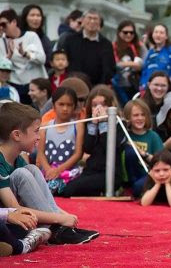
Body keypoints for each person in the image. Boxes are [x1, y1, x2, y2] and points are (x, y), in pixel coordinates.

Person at [0, 102, 98, 244]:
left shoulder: (18, 159)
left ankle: (58, 229)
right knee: (22, 173)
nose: (39, 137)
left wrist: (64, 215)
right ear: (17, 135)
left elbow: (40, 199)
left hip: (19, 217)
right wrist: (60, 218)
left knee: (31, 169)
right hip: (7, 220)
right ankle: (56, 229)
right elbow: (15, 210)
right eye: (36, 131)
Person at [61, 85, 126, 197]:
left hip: (110, 173)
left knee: (71, 189)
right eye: (95, 105)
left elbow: (110, 148)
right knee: (66, 190)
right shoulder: (90, 124)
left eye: (103, 105)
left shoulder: (120, 124)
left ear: (111, 106)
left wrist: (104, 124)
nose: (99, 109)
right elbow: (88, 148)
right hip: (91, 170)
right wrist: (93, 126)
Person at [36, 87, 84, 195]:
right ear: (53, 106)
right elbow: (41, 153)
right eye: (61, 104)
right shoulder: (45, 126)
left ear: (74, 107)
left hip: (69, 171)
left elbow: (78, 154)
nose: (65, 108)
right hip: (48, 171)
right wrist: (49, 170)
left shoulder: (78, 125)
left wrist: (59, 170)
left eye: (69, 105)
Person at [0, 9, 47, 105]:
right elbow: (2, 67)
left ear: (14, 22)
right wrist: (9, 56)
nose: (2, 28)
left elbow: (42, 59)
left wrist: (25, 54)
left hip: (36, 84)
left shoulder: (31, 36)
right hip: (15, 84)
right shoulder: (2, 42)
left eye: (4, 24)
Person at [122, 99, 165, 197]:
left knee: (138, 187)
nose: (140, 118)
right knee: (130, 152)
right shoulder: (125, 135)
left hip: (148, 174)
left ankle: (135, 189)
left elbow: (161, 162)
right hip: (129, 175)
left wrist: (143, 153)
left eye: (143, 115)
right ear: (128, 118)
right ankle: (128, 186)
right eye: (136, 115)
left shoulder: (153, 136)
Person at [62, 9, 115, 86]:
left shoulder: (106, 44)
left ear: (100, 23)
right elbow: (65, 62)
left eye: (95, 19)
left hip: (98, 87)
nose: (92, 22)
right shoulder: (70, 40)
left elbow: (109, 68)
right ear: (82, 21)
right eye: (89, 18)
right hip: (75, 85)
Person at [112, 20, 146, 105]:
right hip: (119, 84)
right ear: (119, 33)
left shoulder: (139, 46)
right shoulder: (114, 46)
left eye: (131, 33)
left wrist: (124, 64)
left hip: (136, 83)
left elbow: (144, 63)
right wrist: (133, 64)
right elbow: (114, 64)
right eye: (125, 32)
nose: (129, 35)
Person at [139, 24, 171, 89]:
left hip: (165, 87)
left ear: (166, 36)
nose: (158, 35)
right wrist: (143, 85)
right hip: (149, 88)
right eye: (156, 32)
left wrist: (167, 84)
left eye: (161, 33)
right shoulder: (150, 52)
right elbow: (145, 71)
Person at [20, 5, 53, 71]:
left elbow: (48, 60)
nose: (36, 18)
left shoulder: (44, 39)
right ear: (25, 18)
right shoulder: (19, 36)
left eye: (38, 15)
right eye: (32, 15)